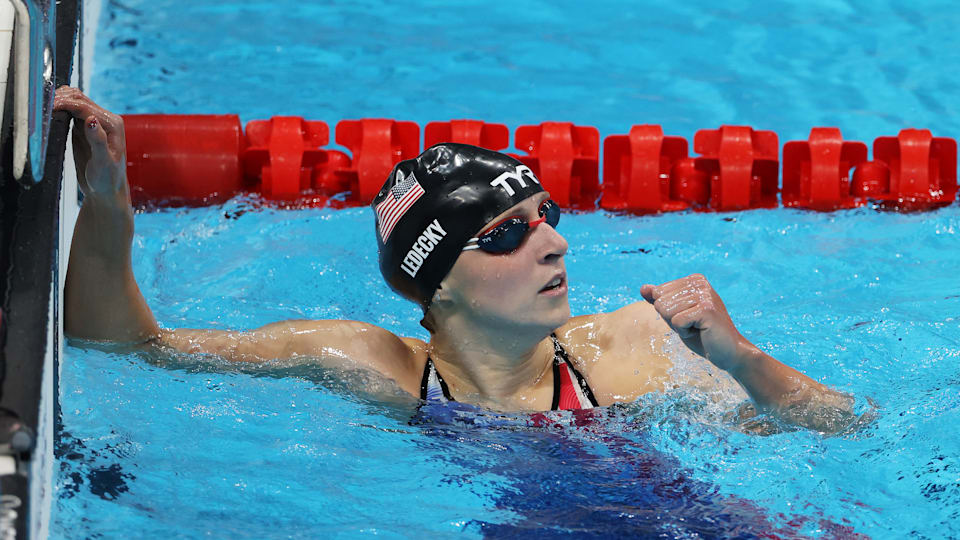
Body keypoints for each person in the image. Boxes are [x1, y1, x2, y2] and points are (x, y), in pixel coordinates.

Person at [54, 86, 857, 432]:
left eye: (546, 215)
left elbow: (842, 428)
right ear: (436, 284)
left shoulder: (632, 346)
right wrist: (109, 201)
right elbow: (126, 346)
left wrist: (743, 360)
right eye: (506, 232)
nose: (555, 242)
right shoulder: (371, 365)